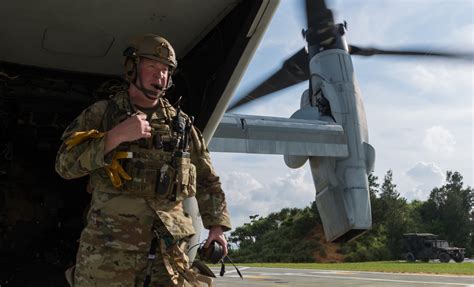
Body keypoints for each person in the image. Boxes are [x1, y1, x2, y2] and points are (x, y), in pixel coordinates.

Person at [55, 34, 231, 286]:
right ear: (132, 68)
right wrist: (115, 136)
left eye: (165, 71)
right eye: (152, 67)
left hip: (168, 253)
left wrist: (217, 228)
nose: (159, 76)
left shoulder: (182, 125)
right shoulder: (103, 114)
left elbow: (207, 179)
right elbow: (65, 165)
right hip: (110, 251)